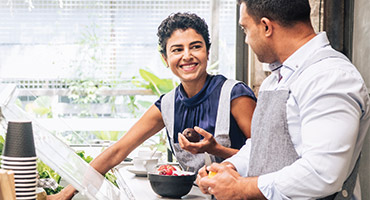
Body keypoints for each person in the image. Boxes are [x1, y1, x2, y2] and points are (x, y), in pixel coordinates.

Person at [48, 12, 256, 199]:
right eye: (177, 50)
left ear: (208, 53)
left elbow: (268, 157)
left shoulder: (234, 95)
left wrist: (217, 149)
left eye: (196, 46)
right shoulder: (167, 104)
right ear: (166, 59)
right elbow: (118, 151)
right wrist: (66, 192)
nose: (187, 56)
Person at [196, 0, 370, 199]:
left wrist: (241, 188)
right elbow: (262, 145)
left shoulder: (330, 76)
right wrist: (229, 167)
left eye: (245, 29)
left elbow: (322, 173)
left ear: (266, 27)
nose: (246, 40)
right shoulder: (275, 80)